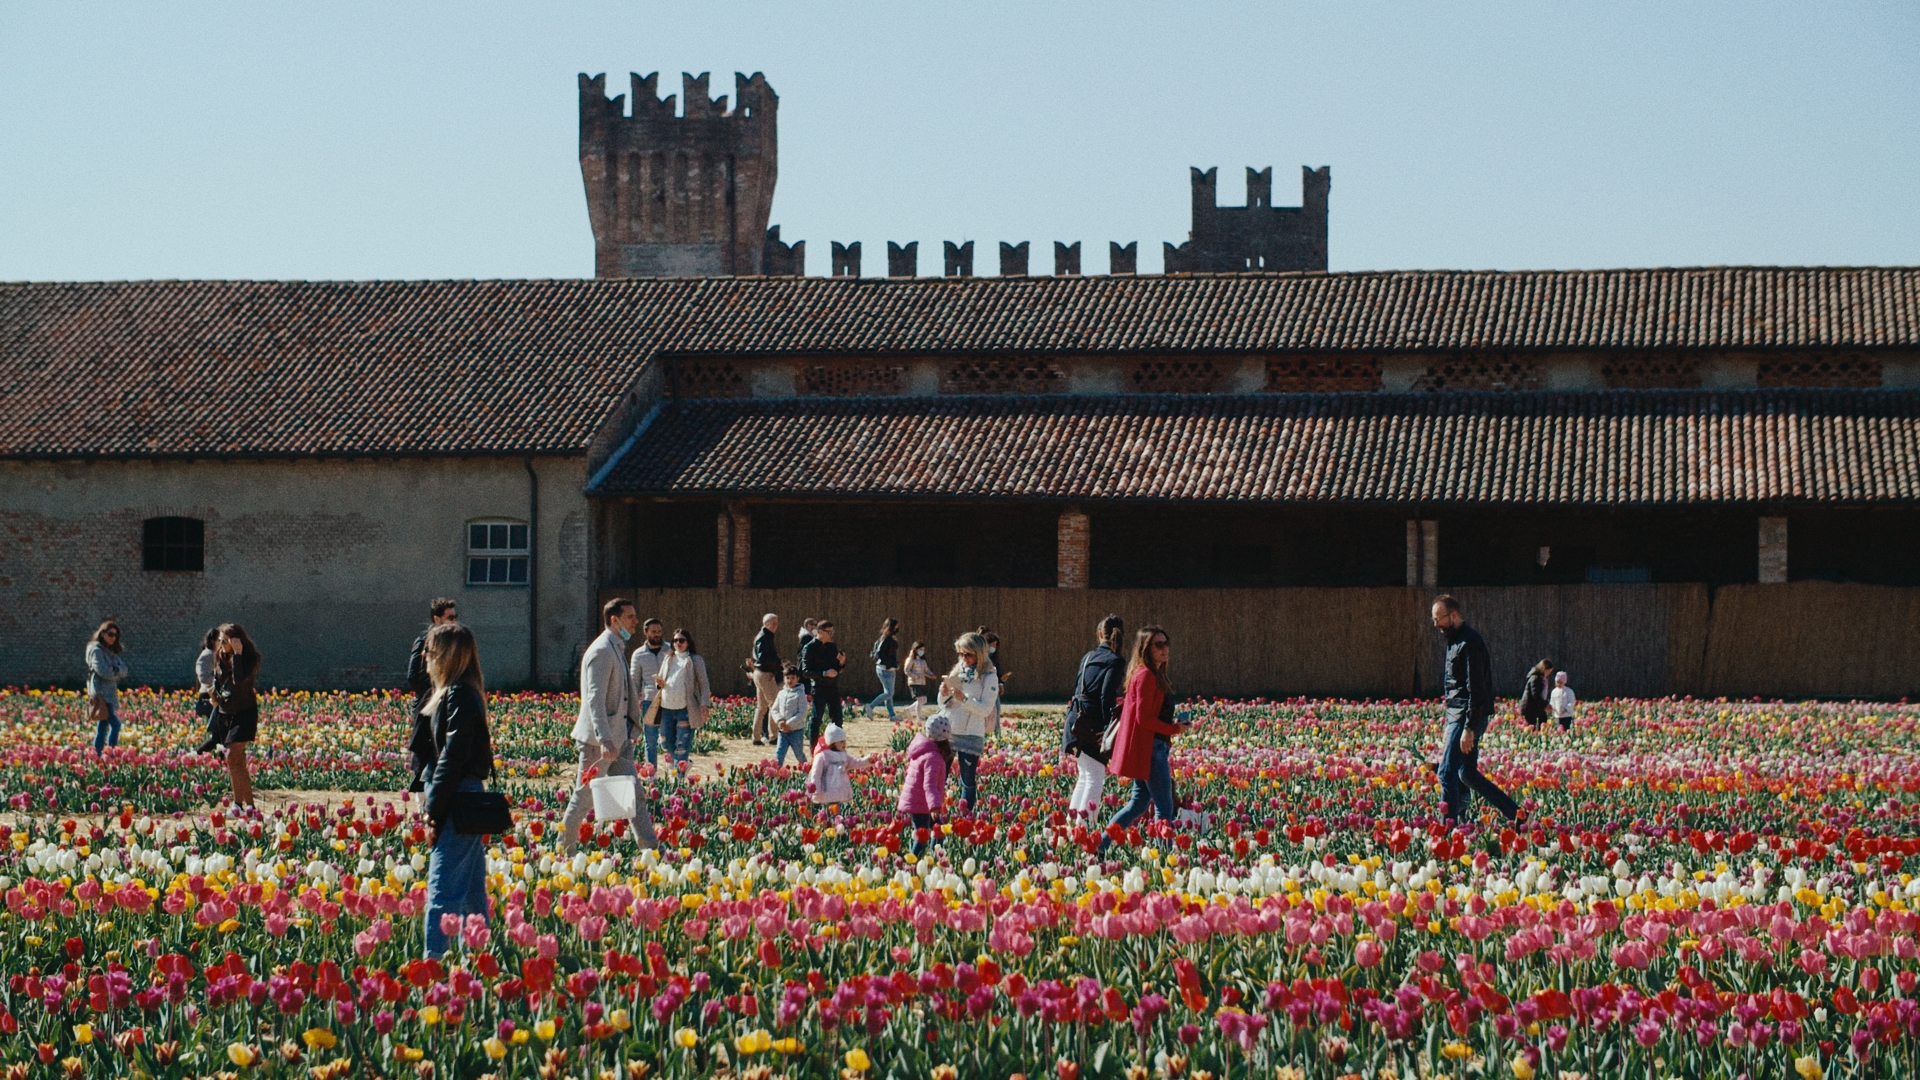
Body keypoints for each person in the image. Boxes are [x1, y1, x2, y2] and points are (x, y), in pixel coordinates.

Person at [417, 621, 497, 959]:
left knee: (442, 893)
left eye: (431, 651)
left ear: (447, 656)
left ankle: (432, 971)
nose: (425, 656)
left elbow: (451, 759)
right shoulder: (462, 692)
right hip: (470, 795)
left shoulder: (459, 695)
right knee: (470, 895)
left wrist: (434, 813)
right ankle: (478, 963)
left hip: (458, 798)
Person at [563, 598, 657, 855]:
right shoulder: (601, 650)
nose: (636, 621)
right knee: (584, 798)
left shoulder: (617, 646)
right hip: (600, 742)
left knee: (634, 793)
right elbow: (595, 699)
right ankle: (563, 850)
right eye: (630, 617)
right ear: (614, 620)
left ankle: (650, 848)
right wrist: (605, 739)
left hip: (620, 738)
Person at [1430, 596, 1521, 826]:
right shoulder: (1453, 640)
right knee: (1465, 774)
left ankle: (1447, 830)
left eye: (1438, 619)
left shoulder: (1470, 643)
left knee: (1447, 772)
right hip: (1457, 715)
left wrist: (1468, 727)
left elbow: (1476, 689)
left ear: (1454, 615)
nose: (1435, 625)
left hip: (1466, 715)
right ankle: (1518, 816)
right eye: (1433, 620)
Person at [1101, 626, 1184, 849]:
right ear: (1146, 649)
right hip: (1151, 749)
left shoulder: (1146, 674)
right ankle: (1164, 856)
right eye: (1158, 645)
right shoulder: (1146, 676)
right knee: (1164, 807)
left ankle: (1100, 845)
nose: (1164, 649)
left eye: (1166, 643)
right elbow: (1144, 718)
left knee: (1138, 804)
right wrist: (1174, 729)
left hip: (1149, 747)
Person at [1064, 615, 1127, 819]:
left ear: (1100, 635)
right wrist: (1109, 728)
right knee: (1094, 776)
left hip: (1076, 719)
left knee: (1085, 775)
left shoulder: (1088, 657)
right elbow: (1106, 696)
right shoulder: (1116, 661)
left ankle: (1072, 824)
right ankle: (1084, 827)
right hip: (1094, 723)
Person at [939, 632, 999, 811]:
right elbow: (943, 705)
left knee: (967, 781)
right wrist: (943, 694)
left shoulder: (989, 677)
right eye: (961, 654)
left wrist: (964, 699)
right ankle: (937, 812)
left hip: (971, 733)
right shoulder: (958, 671)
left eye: (968, 654)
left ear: (979, 654)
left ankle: (965, 816)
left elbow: (986, 709)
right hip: (949, 731)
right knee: (939, 778)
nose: (964, 658)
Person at [405, 598, 459, 791]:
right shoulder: (424, 642)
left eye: (455, 617)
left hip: (450, 704)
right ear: (437, 619)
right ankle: (423, 798)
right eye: (450, 617)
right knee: (425, 753)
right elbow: (413, 678)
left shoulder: (457, 643)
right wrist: (435, 695)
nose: (454, 621)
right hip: (429, 706)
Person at [210, 624, 262, 810]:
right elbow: (219, 682)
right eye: (220, 641)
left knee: (233, 754)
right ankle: (245, 806)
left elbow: (239, 680)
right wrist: (215, 697)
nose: (221, 644)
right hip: (226, 713)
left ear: (236, 641)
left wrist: (238, 654)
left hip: (244, 713)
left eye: (226, 641)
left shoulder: (248, 660)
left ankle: (243, 805)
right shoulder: (221, 657)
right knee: (236, 760)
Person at [649, 628, 710, 778]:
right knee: (665, 742)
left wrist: (704, 704)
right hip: (666, 707)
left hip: (685, 709)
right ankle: (683, 764)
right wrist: (659, 683)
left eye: (681, 640)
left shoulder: (695, 660)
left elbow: (703, 683)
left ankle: (678, 777)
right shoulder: (668, 658)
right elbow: (662, 680)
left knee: (681, 745)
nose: (678, 643)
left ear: (688, 643)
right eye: (675, 640)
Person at [897, 713, 953, 855]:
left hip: (919, 801)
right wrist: (934, 806)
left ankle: (934, 856)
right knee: (923, 836)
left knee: (937, 830)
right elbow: (929, 785)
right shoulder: (933, 757)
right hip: (921, 804)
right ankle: (912, 861)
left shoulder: (923, 750)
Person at [626, 619, 669, 768]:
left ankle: (676, 769)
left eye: (659, 631)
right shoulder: (638, 655)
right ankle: (651, 772)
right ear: (646, 633)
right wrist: (630, 703)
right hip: (650, 701)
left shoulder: (670, 651)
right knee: (650, 740)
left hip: (670, 701)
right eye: (653, 632)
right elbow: (634, 681)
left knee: (668, 739)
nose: (657, 634)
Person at [85, 621, 129, 754]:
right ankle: (111, 754)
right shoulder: (96, 650)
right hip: (101, 695)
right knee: (116, 725)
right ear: (102, 633)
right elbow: (103, 671)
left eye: (115, 635)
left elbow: (125, 670)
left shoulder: (111, 652)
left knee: (102, 727)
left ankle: (96, 755)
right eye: (110, 634)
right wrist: (116, 672)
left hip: (110, 694)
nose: (113, 638)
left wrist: (116, 670)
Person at [805, 723, 869, 809]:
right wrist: (815, 788)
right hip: (827, 789)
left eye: (845, 741)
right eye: (841, 741)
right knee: (830, 807)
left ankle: (836, 820)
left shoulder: (843, 755)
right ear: (833, 743)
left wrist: (868, 760)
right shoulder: (822, 756)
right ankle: (832, 821)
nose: (844, 744)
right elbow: (816, 773)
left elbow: (855, 762)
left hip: (839, 787)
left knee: (836, 807)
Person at [802, 621, 846, 743]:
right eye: (829, 632)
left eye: (833, 631)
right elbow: (805, 671)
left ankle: (836, 748)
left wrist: (841, 663)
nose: (832, 634)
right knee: (816, 720)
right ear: (820, 631)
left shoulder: (832, 647)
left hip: (833, 687)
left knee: (837, 719)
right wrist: (823, 673)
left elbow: (836, 668)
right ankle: (814, 749)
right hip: (819, 687)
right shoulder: (809, 647)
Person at [769, 662, 811, 767]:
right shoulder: (781, 694)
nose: (790, 680)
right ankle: (776, 776)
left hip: (796, 731)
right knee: (779, 754)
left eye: (793, 678)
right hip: (782, 731)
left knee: (799, 755)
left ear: (797, 679)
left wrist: (789, 724)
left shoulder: (800, 694)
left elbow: (802, 712)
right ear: (784, 679)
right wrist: (780, 721)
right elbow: (774, 710)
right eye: (787, 678)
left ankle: (808, 772)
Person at [750, 613, 782, 745]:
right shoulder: (764, 638)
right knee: (774, 705)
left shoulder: (763, 637)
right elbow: (764, 658)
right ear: (766, 624)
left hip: (759, 673)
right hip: (765, 673)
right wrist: (778, 662)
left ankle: (756, 737)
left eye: (776, 623)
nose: (776, 626)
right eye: (773, 623)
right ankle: (773, 736)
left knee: (762, 707)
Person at [865, 618, 901, 721]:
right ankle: (870, 706)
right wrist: (890, 664)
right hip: (885, 668)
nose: (897, 628)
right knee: (889, 693)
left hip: (889, 668)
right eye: (896, 626)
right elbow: (880, 653)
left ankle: (892, 715)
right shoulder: (886, 639)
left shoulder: (888, 638)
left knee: (889, 693)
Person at [902, 641, 933, 720]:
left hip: (922, 682)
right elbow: (907, 670)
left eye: (923, 650)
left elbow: (926, 670)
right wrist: (916, 676)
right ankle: (919, 717)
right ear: (915, 650)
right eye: (920, 649)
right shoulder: (911, 659)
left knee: (924, 699)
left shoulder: (922, 660)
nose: (922, 651)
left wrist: (931, 675)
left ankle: (908, 710)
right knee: (919, 699)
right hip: (914, 682)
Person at [194, 627, 219, 724]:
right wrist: (219, 681)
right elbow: (203, 677)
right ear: (213, 641)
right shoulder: (207, 654)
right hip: (207, 700)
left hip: (214, 699)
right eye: (219, 640)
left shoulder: (214, 654)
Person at [1520, 659, 1554, 729]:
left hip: (1537, 706)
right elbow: (1535, 695)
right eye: (1548, 671)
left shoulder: (1541, 678)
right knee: (1532, 726)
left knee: (1543, 721)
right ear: (1544, 668)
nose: (1549, 673)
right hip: (1530, 707)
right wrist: (1545, 705)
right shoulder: (1535, 678)